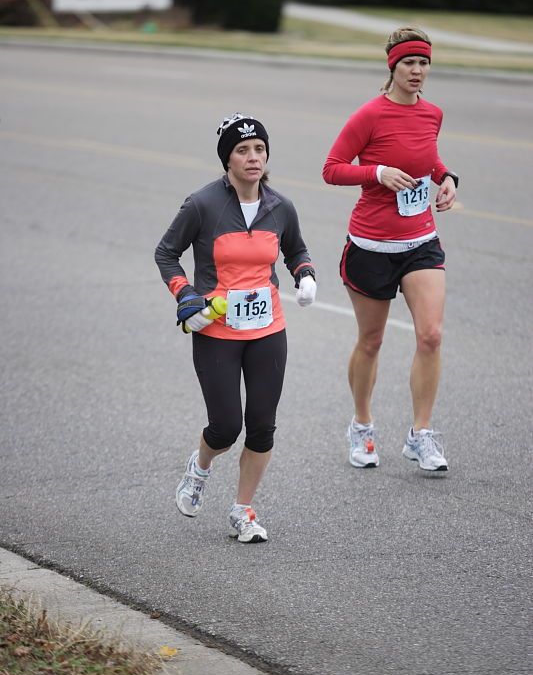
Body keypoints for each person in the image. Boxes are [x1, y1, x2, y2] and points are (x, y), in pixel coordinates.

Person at [155, 113, 316, 542]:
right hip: (216, 331)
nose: (253, 157)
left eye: (259, 149)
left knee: (262, 425)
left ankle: (243, 511)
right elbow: (166, 253)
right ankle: (200, 466)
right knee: (226, 426)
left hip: (268, 330)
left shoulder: (280, 206)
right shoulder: (202, 204)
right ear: (227, 159)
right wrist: (187, 298)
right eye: (242, 150)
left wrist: (305, 275)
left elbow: (295, 248)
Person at [322, 27, 458, 472]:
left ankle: (421, 434)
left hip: (420, 240)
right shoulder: (370, 115)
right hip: (371, 244)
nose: (418, 71)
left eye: (424, 63)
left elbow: (428, 157)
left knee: (431, 335)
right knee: (372, 339)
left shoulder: (433, 113)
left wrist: (446, 177)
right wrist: (376, 173)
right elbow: (332, 169)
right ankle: (362, 425)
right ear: (392, 67)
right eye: (409, 64)